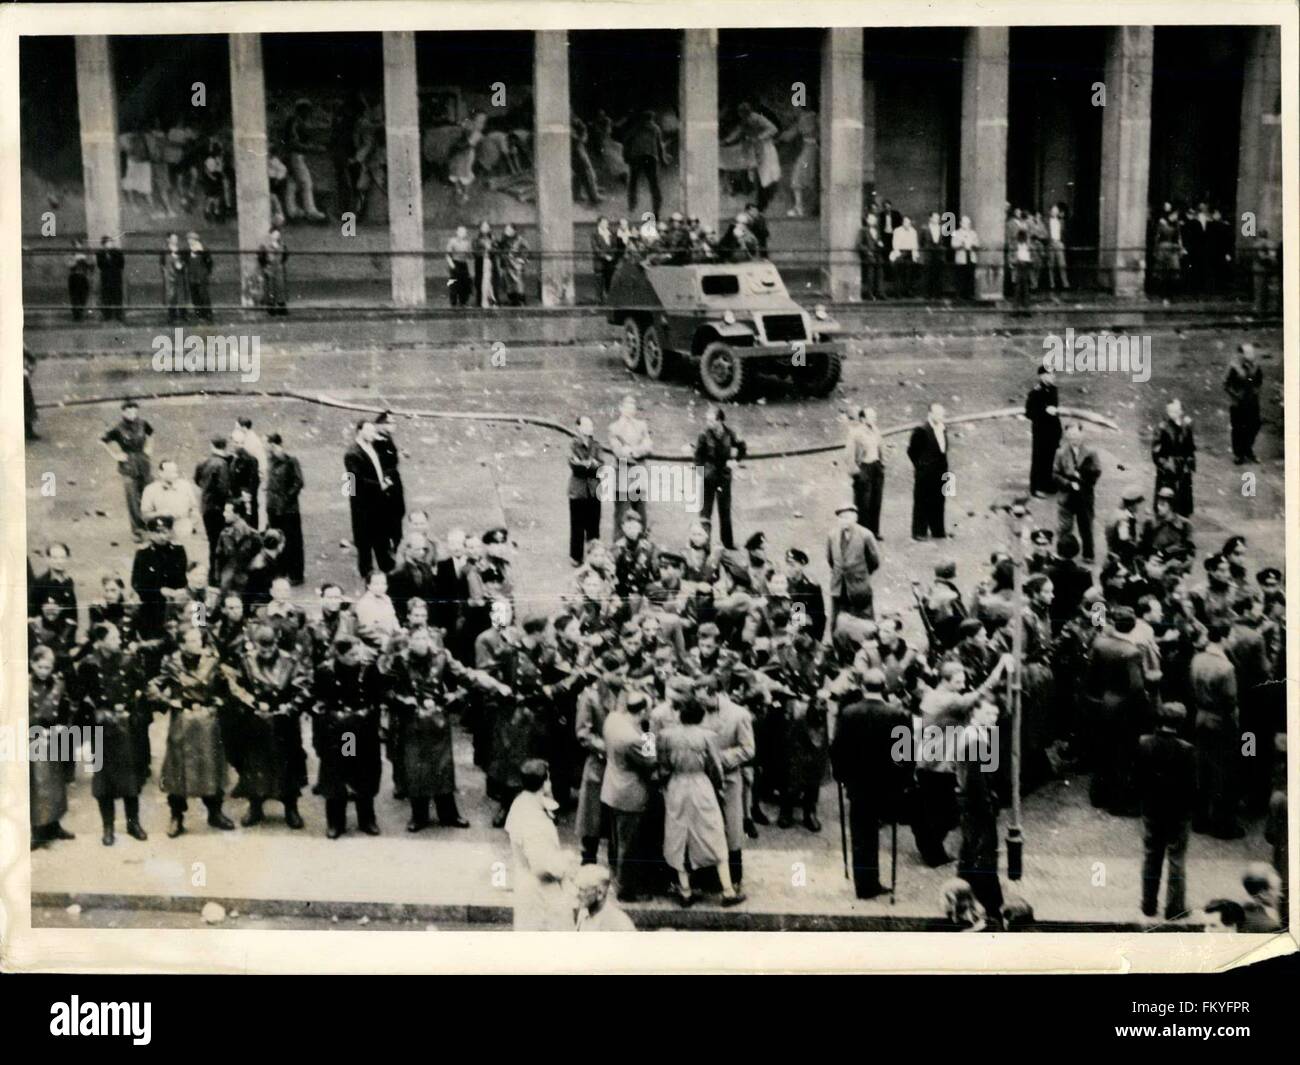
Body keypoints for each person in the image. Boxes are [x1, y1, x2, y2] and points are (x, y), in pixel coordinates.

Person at [912, 657, 1009, 866]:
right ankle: (931, 850)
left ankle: (930, 847)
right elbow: (980, 694)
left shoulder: (933, 695)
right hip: (939, 763)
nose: (963, 685)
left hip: (929, 759)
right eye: (957, 681)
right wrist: (1000, 665)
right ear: (945, 680)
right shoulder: (948, 700)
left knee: (935, 808)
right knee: (946, 812)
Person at [148, 625, 236, 837]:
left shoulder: (212, 661)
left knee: (210, 767)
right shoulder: (172, 664)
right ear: (182, 644)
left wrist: (220, 700)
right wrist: (168, 701)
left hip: (207, 722)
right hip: (183, 721)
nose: (198, 645)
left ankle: (215, 812)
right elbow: (153, 686)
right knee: (178, 770)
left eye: (199, 640)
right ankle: (177, 816)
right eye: (193, 641)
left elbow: (227, 685)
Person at [658, 693, 744, 906]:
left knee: (678, 836)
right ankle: (728, 891)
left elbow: (662, 765)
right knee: (714, 835)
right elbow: (715, 766)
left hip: (677, 785)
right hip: (701, 785)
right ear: (700, 716)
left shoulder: (666, 735)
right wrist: (719, 786)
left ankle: (685, 891)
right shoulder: (708, 735)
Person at [830, 667, 910, 898]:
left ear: (863, 687)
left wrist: (841, 777)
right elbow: (904, 755)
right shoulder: (897, 715)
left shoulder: (848, 713)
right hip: (887, 786)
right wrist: (903, 781)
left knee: (861, 834)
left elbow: (837, 750)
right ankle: (873, 882)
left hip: (858, 785)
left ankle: (864, 884)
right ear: (884, 688)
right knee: (878, 830)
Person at [227, 624, 310, 829]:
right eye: (262, 647)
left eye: (270, 646)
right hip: (255, 721)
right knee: (255, 765)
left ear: (276, 642)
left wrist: (288, 707)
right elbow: (235, 686)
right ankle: (255, 806)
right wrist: (252, 703)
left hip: (283, 722)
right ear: (255, 644)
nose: (266, 651)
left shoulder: (290, 661)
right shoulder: (246, 661)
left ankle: (291, 807)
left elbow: (304, 688)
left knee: (288, 766)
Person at [77, 622, 150, 846]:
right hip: (101, 728)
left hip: (126, 726)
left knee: (131, 778)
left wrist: (133, 711)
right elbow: (80, 695)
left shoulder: (129, 661)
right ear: (100, 642)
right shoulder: (88, 665)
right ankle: (107, 827)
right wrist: (96, 712)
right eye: (114, 637)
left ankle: (133, 822)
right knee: (103, 782)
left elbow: (141, 687)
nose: (119, 641)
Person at [312, 636, 383, 838]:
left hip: (364, 728)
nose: (358, 657)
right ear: (340, 655)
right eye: (352, 654)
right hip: (342, 733)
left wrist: (367, 715)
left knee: (365, 774)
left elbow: (377, 698)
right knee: (339, 773)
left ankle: (367, 819)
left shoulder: (369, 669)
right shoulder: (325, 671)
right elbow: (319, 703)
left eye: (359, 652)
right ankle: (335, 822)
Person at [1136, 701, 1196, 923]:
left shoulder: (1144, 743)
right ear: (1180, 722)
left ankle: (1148, 904)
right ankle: (1175, 907)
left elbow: (1138, 779)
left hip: (1152, 809)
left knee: (1151, 856)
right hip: (1178, 813)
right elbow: (1192, 787)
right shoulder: (1186, 749)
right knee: (1177, 858)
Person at [504, 759, 575, 930]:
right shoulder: (535, 821)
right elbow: (543, 867)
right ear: (545, 784)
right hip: (541, 893)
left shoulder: (520, 802)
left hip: (526, 884)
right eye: (548, 779)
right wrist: (566, 862)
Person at [600, 689, 657, 901]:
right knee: (628, 844)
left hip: (612, 788)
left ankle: (615, 877)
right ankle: (625, 889)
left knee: (616, 840)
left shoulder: (613, 719)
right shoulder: (634, 739)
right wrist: (649, 732)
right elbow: (650, 761)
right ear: (642, 711)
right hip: (630, 794)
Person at [1190, 620, 1243, 839]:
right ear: (1222, 638)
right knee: (1222, 773)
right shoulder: (1226, 667)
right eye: (1230, 636)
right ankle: (1222, 825)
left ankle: (1200, 819)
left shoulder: (1197, 658)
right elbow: (1230, 701)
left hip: (1200, 716)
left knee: (1202, 770)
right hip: (1220, 722)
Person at [956, 699, 1004, 926]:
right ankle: (990, 905)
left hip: (972, 804)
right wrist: (989, 806)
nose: (993, 717)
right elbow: (978, 779)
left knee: (970, 853)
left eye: (996, 713)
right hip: (978, 806)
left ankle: (964, 901)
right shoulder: (975, 739)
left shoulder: (979, 734)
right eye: (988, 712)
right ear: (975, 712)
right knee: (983, 854)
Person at [28, 646, 74, 848]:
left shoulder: (58, 684)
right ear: (32, 664)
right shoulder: (24, 686)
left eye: (48, 667)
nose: (44, 671)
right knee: (38, 785)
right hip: (32, 738)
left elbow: (65, 709)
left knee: (56, 782)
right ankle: (37, 830)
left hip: (54, 738)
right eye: (40, 666)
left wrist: (62, 726)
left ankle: (54, 824)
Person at [343, 420, 398, 578]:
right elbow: (356, 480)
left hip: (378, 501)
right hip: (364, 505)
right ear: (360, 431)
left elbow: (382, 467)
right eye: (369, 431)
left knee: (381, 538)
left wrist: (385, 479)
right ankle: (368, 575)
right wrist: (380, 485)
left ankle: (387, 570)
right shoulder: (352, 453)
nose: (373, 434)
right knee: (365, 544)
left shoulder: (372, 448)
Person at [100, 399, 154, 542]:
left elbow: (150, 434)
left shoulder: (143, 423)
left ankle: (151, 523)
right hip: (128, 464)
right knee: (132, 497)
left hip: (143, 461)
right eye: (128, 411)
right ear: (123, 412)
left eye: (134, 410)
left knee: (148, 493)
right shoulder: (118, 428)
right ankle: (137, 529)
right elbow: (103, 440)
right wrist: (116, 455)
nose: (132, 414)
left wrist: (149, 447)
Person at [694, 405, 746, 549]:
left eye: (711, 420)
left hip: (724, 476)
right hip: (708, 476)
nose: (708, 423)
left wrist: (735, 461)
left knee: (725, 511)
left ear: (720, 421)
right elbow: (698, 456)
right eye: (707, 420)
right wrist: (701, 474)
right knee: (705, 513)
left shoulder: (730, 434)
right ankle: (704, 545)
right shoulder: (704, 435)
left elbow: (743, 447)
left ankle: (727, 545)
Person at [1053, 421, 1102, 565]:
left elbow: (1097, 471)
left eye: (1076, 434)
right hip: (1067, 496)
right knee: (1064, 527)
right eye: (1071, 435)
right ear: (1067, 435)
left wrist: (1083, 478)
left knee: (1086, 526)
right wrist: (1068, 483)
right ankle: (1063, 553)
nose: (1074, 438)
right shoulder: (1061, 453)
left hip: (1084, 496)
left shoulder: (1091, 452)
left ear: (1082, 434)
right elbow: (1054, 474)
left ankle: (1088, 554)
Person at [827, 502, 880, 625]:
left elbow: (874, 561)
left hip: (858, 585)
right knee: (837, 621)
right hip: (839, 585)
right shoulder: (832, 535)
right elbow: (830, 559)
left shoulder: (866, 535)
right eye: (841, 517)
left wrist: (862, 573)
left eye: (848, 517)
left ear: (855, 518)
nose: (844, 521)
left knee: (864, 620)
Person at [608, 394, 653, 533]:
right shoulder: (614, 427)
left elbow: (648, 446)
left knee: (640, 511)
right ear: (620, 408)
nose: (629, 411)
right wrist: (632, 452)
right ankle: (619, 546)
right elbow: (618, 451)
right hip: (622, 474)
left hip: (639, 474)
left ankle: (641, 546)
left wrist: (633, 451)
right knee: (622, 511)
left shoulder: (642, 425)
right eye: (627, 407)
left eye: (632, 408)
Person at [265, 433, 305, 585]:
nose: (265, 447)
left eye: (267, 443)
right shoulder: (269, 460)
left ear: (274, 444)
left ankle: (296, 574)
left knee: (293, 541)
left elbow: (299, 482)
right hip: (273, 508)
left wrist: (286, 498)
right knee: (276, 539)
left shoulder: (290, 460)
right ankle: (281, 571)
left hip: (289, 510)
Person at [907, 402, 949, 541]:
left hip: (941, 471)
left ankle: (938, 530)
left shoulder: (942, 429)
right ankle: (919, 531)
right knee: (922, 501)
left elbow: (943, 450)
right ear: (930, 414)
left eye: (942, 414)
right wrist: (921, 466)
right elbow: (912, 451)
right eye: (937, 414)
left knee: (939, 500)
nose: (941, 416)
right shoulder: (921, 430)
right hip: (925, 472)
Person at [282, 99, 326, 221]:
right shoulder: (295, 121)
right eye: (307, 110)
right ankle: (310, 211)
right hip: (295, 155)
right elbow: (294, 143)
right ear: (302, 110)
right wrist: (314, 148)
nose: (309, 113)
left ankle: (292, 211)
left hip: (292, 155)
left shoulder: (296, 121)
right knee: (306, 182)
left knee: (292, 183)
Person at [1152, 398, 1196, 517]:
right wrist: (1165, 465)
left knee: (1183, 496)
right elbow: (1156, 450)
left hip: (1183, 466)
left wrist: (1190, 463)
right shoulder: (1162, 427)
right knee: (1166, 495)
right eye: (1171, 411)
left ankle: (1182, 516)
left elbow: (1190, 447)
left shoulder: (1187, 425)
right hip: (1169, 466)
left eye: (1176, 411)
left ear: (1181, 411)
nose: (1173, 414)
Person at [567, 416, 602, 566]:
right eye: (587, 425)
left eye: (591, 424)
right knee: (577, 525)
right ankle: (576, 557)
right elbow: (574, 465)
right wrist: (590, 464)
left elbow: (600, 465)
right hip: (578, 491)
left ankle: (594, 556)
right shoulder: (573, 444)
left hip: (594, 490)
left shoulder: (596, 445)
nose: (590, 428)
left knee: (594, 525)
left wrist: (586, 465)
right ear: (578, 427)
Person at [140, 458, 200, 540]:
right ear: (161, 473)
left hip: (183, 529)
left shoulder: (185, 486)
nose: (175, 475)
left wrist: (190, 524)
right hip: (160, 531)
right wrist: (160, 514)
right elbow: (145, 516)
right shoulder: (150, 489)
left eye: (176, 472)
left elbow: (194, 508)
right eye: (171, 472)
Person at [847, 406, 884, 537]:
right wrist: (855, 471)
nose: (874, 418)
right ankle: (862, 534)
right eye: (871, 416)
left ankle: (874, 531)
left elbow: (880, 447)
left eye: (875, 416)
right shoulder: (855, 433)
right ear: (863, 419)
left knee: (876, 500)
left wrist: (882, 464)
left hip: (875, 466)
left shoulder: (876, 430)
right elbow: (850, 454)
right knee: (863, 502)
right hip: (864, 467)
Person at [623, 110, 669, 217]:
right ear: (652, 118)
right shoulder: (655, 128)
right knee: (654, 184)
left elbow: (627, 141)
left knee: (633, 182)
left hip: (636, 157)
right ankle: (656, 210)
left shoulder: (635, 128)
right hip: (650, 157)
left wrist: (626, 155)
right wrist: (663, 160)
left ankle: (632, 205)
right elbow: (660, 146)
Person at [1025, 365, 1062, 498]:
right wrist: (1044, 411)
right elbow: (1029, 413)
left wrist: (1058, 433)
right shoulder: (1036, 392)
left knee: (1049, 459)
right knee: (1039, 459)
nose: (1053, 377)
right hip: (1041, 431)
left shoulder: (1053, 390)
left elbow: (1055, 409)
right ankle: (1036, 487)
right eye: (1050, 374)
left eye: (1054, 374)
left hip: (1053, 430)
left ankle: (1047, 483)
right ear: (1042, 376)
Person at [1224, 343, 1264, 465]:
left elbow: (1259, 380)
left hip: (1252, 401)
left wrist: (1255, 391)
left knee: (1254, 425)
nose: (1251, 355)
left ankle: (1248, 449)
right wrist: (1236, 395)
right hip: (1238, 403)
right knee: (1238, 428)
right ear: (1242, 354)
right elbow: (1226, 384)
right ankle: (1239, 454)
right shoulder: (1234, 366)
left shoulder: (1255, 366)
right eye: (1248, 353)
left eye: (1252, 352)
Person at [573, 864, 636, 931]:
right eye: (578, 889)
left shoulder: (619, 922)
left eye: (582, 890)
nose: (577, 894)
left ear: (600, 893)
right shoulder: (583, 916)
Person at [494, 222, 529, 306]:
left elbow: (526, 250)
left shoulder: (520, 239)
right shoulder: (503, 239)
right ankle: (512, 300)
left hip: (516, 264)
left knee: (518, 282)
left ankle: (521, 300)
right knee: (508, 283)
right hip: (506, 264)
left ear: (514, 230)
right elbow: (499, 249)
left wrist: (522, 259)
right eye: (506, 229)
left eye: (510, 229)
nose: (507, 231)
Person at [258, 227, 289, 316]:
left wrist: (281, 264)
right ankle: (271, 308)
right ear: (270, 235)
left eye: (278, 234)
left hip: (279, 269)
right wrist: (265, 266)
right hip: (270, 269)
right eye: (274, 234)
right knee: (270, 288)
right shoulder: (265, 245)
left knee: (280, 288)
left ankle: (282, 307)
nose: (276, 236)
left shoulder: (282, 245)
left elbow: (285, 255)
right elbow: (261, 257)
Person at [96, 236, 126, 321]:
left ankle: (118, 314)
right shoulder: (100, 253)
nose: (110, 244)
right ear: (103, 244)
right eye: (108, 242)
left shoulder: (117, 252)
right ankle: (107, 315)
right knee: (106, 296)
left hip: (116, 277)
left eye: (111, 242)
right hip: (106, 278)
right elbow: (100, 265)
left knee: (117, 296)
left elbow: (121, 264)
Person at [857, 212, 885, 299]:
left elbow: (878, 241)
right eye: (870, 219)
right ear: (867, 220)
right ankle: (870, 293)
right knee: (870, 275)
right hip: (869, 256)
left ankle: (880, 293)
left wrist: (880, 243)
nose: (872, 221)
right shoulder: (863, 230)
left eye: (874, 219)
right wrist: (867, 251)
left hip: (877, 255)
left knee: (880, 274)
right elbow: (859, 244)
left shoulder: (877, 230)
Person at [951, 216, 979, 300]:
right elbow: (953, 245)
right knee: (960, 276)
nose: (966, 224)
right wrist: (962, 244)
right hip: (961, 257)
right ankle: (959, 295)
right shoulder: (955, 232)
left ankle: (969, 294)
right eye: (964, 222)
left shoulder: (973, 233)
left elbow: (977, 244)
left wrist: (973, 245)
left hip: (971, 256)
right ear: (960, 223)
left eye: (968, 223)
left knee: (970, 276)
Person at [445, 225, 473, 307]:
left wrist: (470, 255)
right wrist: (452, 265)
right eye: (460, 231)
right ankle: (453, 302)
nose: (462, 233)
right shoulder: (452, 241)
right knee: (454, 283)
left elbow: (469, 255)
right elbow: (447, 254)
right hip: (455, 263)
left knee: (464, 283)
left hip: (463, 264)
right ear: (457, 232)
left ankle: (463, 302)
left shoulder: (467, 243)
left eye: (464, 232)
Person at [591, 216, 618, 302]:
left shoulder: (611, 233)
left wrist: (612, 256)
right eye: (604, 223)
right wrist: (605, 256)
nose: (606, 224)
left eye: (606, 222)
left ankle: (608, 298)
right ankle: (598, 299)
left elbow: (615, 246)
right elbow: (595, 248)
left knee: (609, 279)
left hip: (610, 262)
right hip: (599, 261)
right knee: (599, 280)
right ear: (599, 223)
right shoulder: (594, 234)